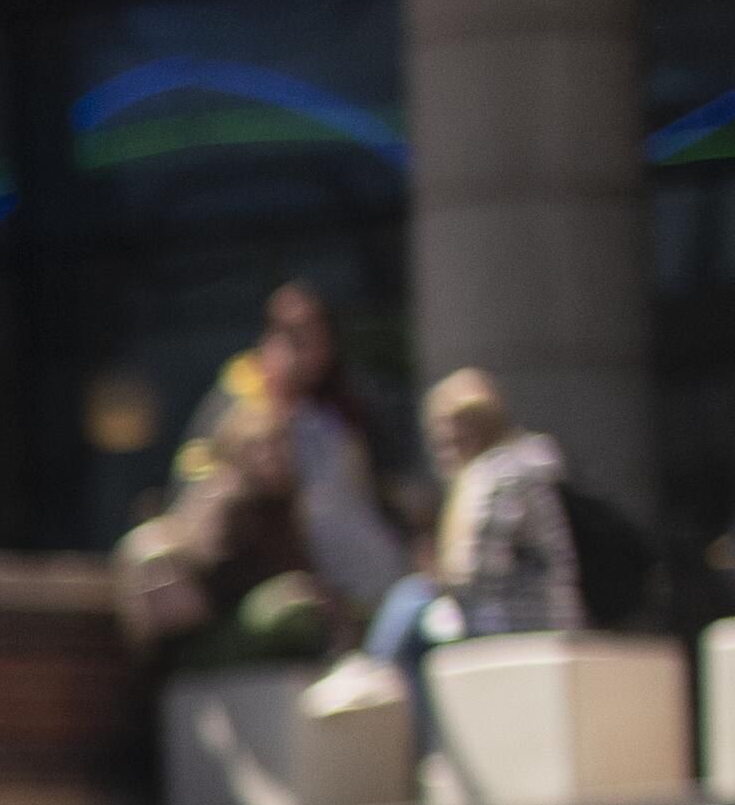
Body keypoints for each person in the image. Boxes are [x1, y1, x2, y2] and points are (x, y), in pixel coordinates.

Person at [118, 278, 411, 652]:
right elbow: (201, 493)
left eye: (311, 337)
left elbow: (379, 492)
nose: (301, 351)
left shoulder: (342, 411)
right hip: (280, 576)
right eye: (289, 337)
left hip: (366, 577)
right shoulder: (243, 393)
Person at [387, 367, 584, 655]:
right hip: (526, 615)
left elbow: (476, 572)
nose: (442, 453)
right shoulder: (519, 470)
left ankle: (381, 686)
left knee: (411, 603)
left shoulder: (499, 478)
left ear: (479, 430)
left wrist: (437, 576)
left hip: (518, 622)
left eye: (449, 440)